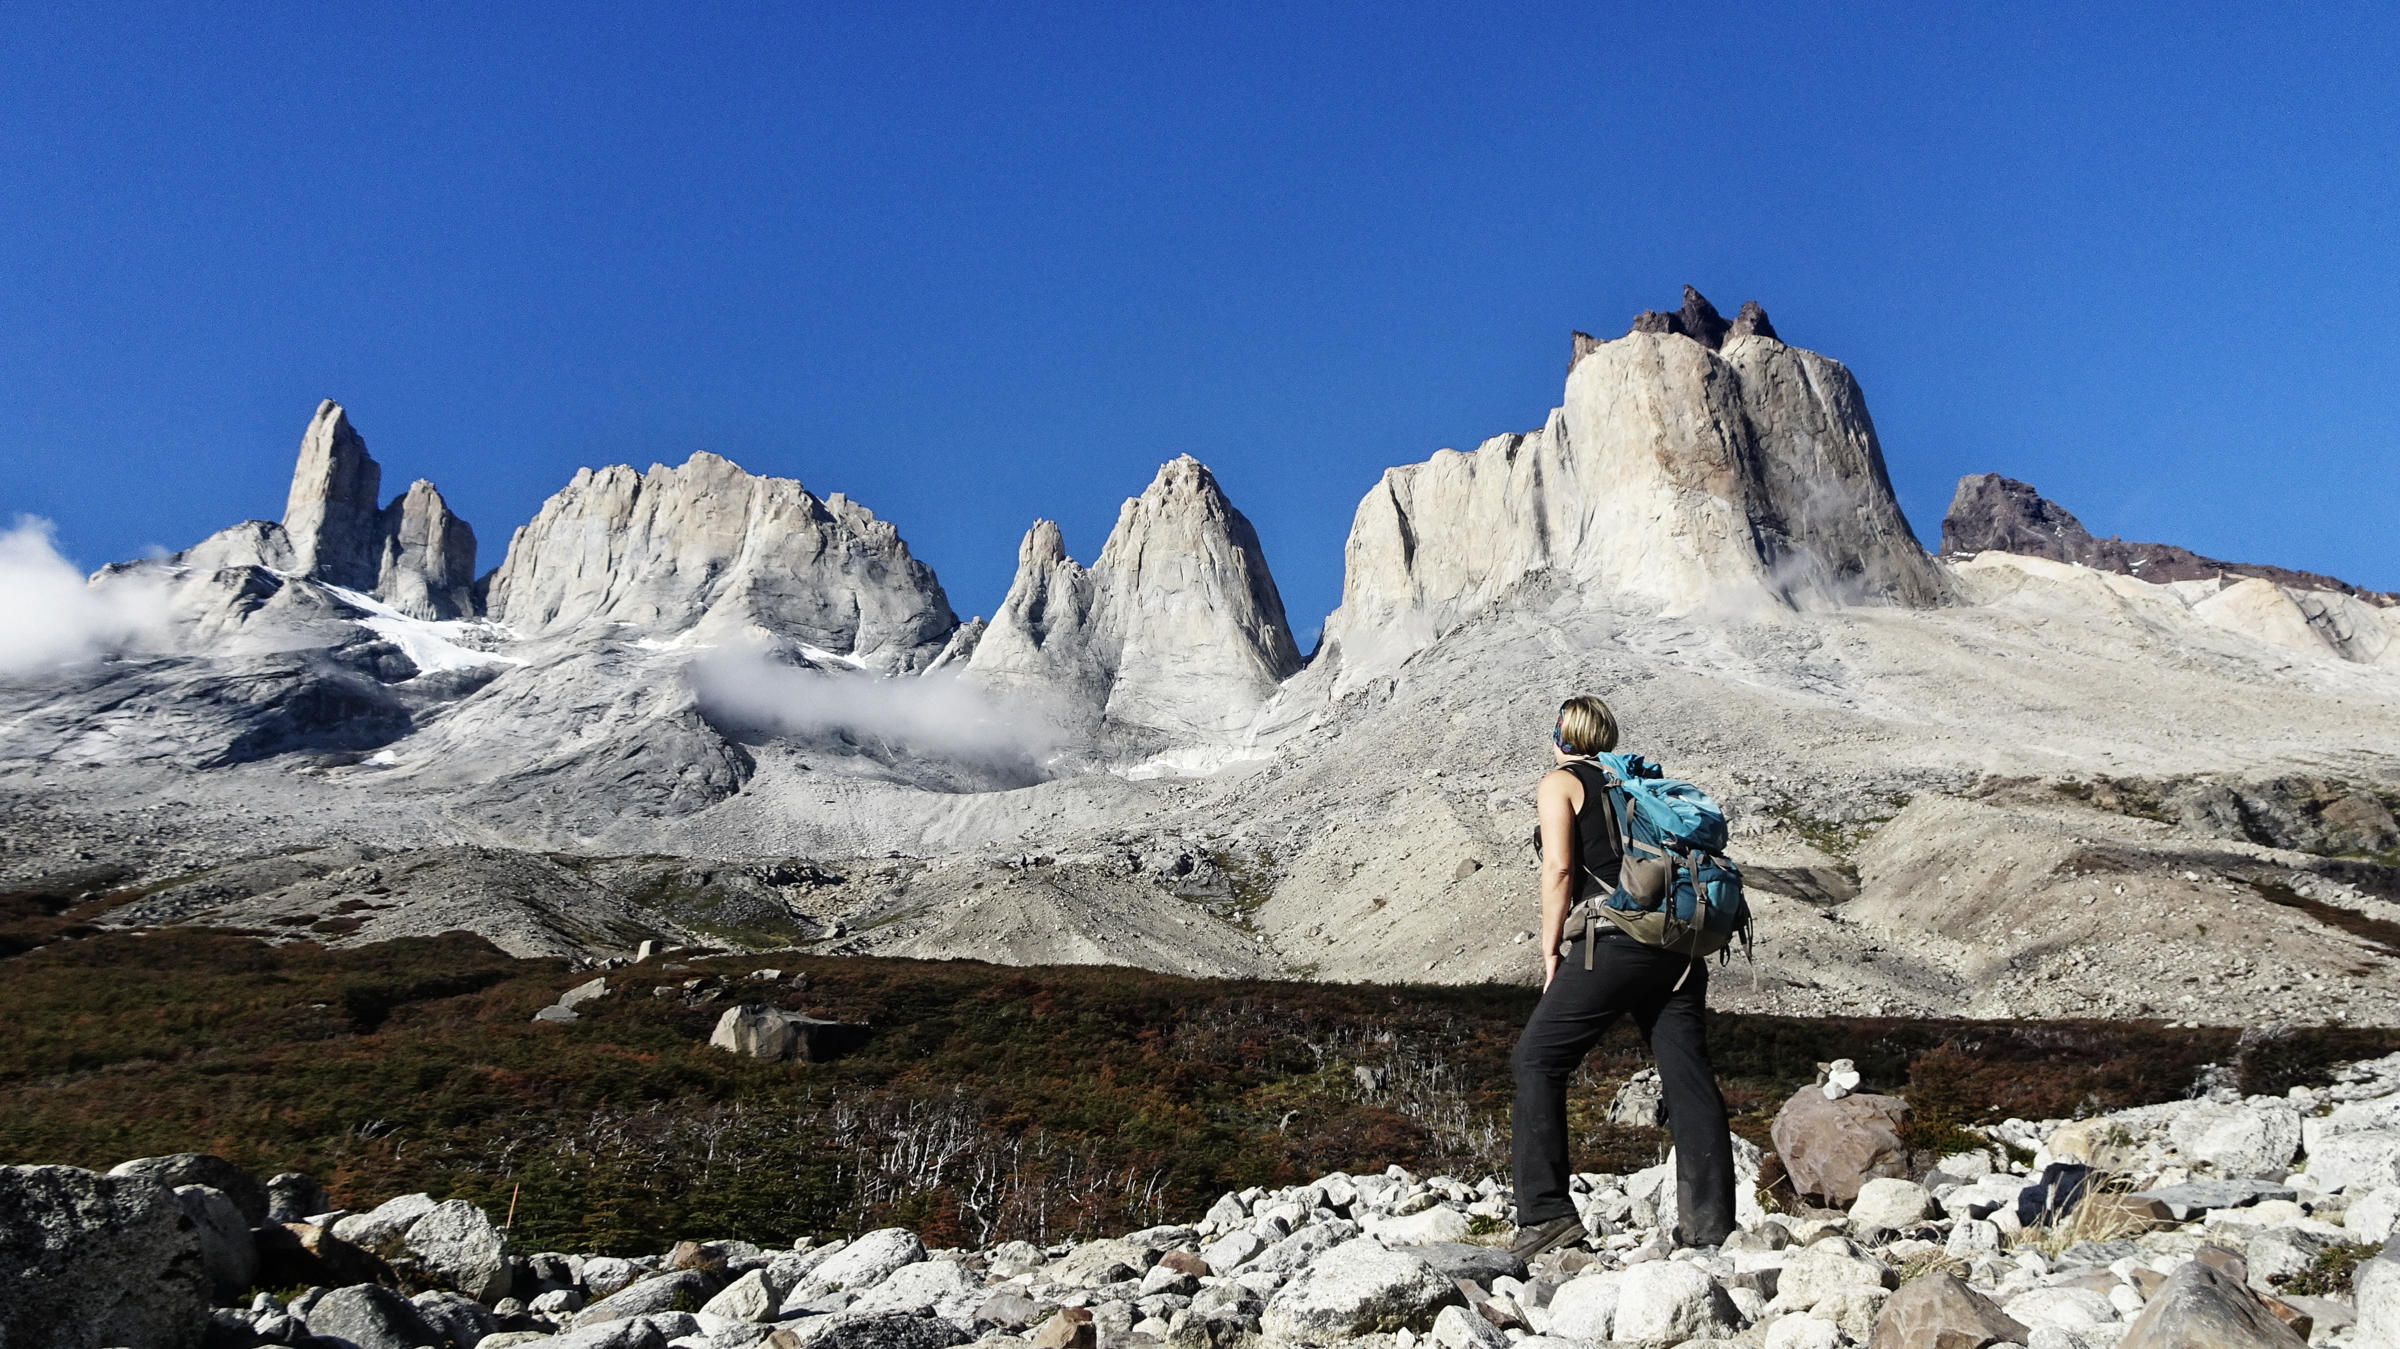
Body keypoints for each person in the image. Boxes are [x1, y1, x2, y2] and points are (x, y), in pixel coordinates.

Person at [1508, 694, 1736, 1260]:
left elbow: (1561, 868)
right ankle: (1710, 1227)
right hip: (1676, 946)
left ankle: (1546, 1216)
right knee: (1686, 1074)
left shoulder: (1560, 782)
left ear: (1561, 734)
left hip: (1614, 940)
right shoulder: (1635, 786)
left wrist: (1550, 946)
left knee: (1536, 1059)